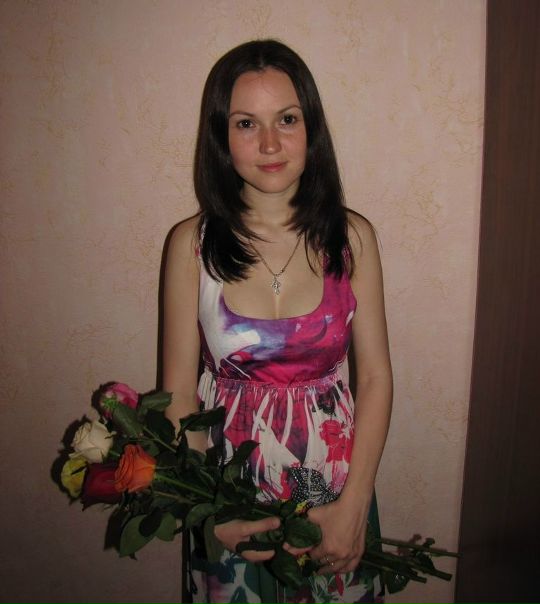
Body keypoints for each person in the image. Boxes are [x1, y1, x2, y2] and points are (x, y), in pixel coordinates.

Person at [163, 39, 392, 604]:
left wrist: (354, 505)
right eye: (246, 123)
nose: (270, 143)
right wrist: (211, 509)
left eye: (287, 119)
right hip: (228, 498)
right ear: (221, 137)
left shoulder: (353, 239)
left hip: (335, 492)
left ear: (311, 127)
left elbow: (375, 378)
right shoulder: (190, 246)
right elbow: (178, 396)